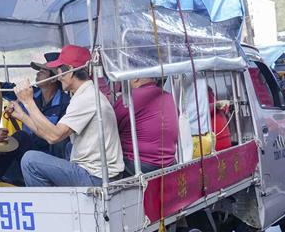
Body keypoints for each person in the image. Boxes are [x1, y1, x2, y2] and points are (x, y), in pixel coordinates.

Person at [11, 45, 124, 187]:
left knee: (29, 160)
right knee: (67, 148)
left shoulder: (86, 97)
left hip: (96, 177)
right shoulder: (84, 94)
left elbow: (53, 137)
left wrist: (28, 102)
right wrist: (22, 115)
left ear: (70, 70)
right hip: (94, 172)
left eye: (59, 70)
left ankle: (50, 208)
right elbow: (49, 134)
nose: (58, 77)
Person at [114, 77, 179, 176]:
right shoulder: (169, 96)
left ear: (135, 78)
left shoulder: (129, 98)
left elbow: (112, 127)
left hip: (139, 165)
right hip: (169, 162)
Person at [209, 87, 232, 151]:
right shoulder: (198, 92)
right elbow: (199, 111)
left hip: (223, 140)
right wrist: (215, 105)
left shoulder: (208, 92)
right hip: (215, 142)